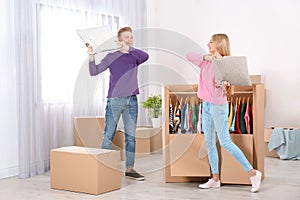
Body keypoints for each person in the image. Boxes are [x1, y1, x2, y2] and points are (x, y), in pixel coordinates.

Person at [186, 34, 262, 192]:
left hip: (218, 107)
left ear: (219, 44)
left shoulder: (226, 64)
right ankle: (215, 178)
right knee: (209, 142)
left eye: (211, 42)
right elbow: (188, 55)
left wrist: (227, 83)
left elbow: (235, 81)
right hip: (205, 105)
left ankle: (253, 173)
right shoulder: (205, 61)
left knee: (225, 141)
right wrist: (207, 57)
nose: (208, 44)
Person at [88, 27, 149, 181]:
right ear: (119, 40)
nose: (130, 39)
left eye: (131, 37)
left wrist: (129, 49)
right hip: (115, 100)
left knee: (131, 137)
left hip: (132, 100)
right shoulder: (111, 56)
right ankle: (103, 169)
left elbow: (146, 56)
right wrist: (91, 57)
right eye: (126, 37)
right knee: (109, 134)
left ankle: (130, 169)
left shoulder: (134, 56)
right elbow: (94, 71)